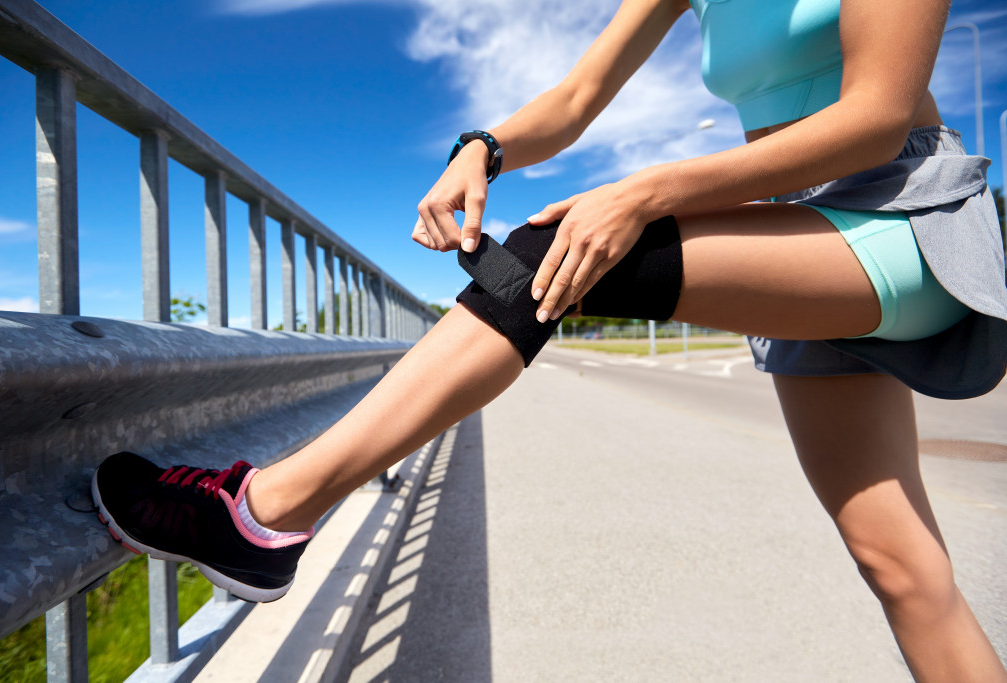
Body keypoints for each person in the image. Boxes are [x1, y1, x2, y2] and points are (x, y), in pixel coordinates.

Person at [92, 0, 1007, 679]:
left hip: (898, 212)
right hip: (787, 234)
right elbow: (574, 98)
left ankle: (268, 509)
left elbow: (874, 114)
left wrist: (651, 190)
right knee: (902, 566)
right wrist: (481, 149)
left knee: (549, 256)